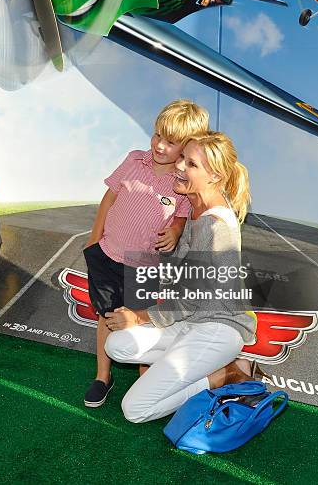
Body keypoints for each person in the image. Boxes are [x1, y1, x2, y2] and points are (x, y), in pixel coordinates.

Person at [104, 131, 258, 423]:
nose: (179, 167)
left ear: (214, 176)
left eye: (192, 165)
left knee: (135, 409)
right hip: (188, 322)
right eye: (183, 159)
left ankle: (222, 375)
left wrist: (139, 316)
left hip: (218, 328)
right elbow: (176, 275)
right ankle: (190, 367)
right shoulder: (192, 208)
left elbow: (193, 299)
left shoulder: (218, 228)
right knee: (117, 345)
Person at [83, 99, 210, 408]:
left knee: (140, 322)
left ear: (188, 148)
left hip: (144, 264)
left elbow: (180, 216)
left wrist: (176, 231)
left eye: (171, 142)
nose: (160, 146)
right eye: (157, 136)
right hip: (108, 253)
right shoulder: (133, 161)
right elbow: (108, 199)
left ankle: (144, 383)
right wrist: (93, 241)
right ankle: (103, 376)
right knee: (107, 316)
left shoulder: (181, 184)